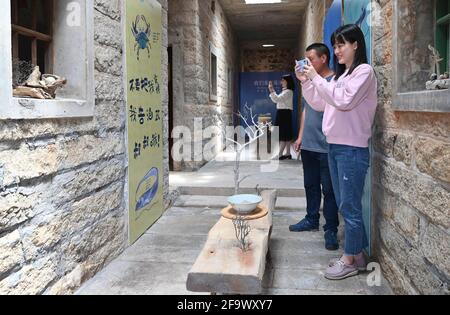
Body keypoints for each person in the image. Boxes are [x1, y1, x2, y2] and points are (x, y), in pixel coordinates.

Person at [295, 24, 378, 280]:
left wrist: (316, 78)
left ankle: (349, 259)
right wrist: (307, 83)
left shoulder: (364, 72)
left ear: (355, 44)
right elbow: (320, 102)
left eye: (342, 44)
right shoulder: (342, 76)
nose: (337, 50)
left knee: (349, 207)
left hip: (352, 149)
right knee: (346, 205)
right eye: (335, 45)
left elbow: (343, 101)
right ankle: (359, 256)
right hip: (336, 147)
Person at [289, 43, 339, 252]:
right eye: (305, 59)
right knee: (310, 185)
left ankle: (331, 229)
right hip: (309, 144)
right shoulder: (308, 82)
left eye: (311, 59)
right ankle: (311, 219)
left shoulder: (335, 81)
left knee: (329, 190)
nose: (307, 63)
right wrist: (300, 136)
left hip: (327, 145)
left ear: (324, 58)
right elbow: (307, 110)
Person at [268, 75, 295, 160]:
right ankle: (288, 153)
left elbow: (277, 99)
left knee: (283, 134)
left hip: (284, 113)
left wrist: (271, 90)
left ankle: (280, 154)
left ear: (287, 81)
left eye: (283, 80)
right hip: (284, 113)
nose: (281, 82)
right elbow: (276, 100)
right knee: (286, 134)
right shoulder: (286, 91)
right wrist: (272, 91)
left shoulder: (288, 92)